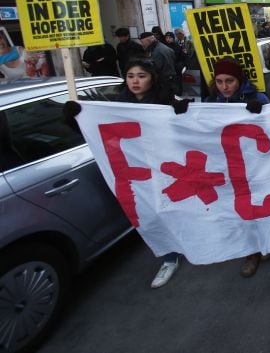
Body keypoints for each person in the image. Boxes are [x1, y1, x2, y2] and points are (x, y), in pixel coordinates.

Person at [63, 58, 190, 288]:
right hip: (138, 172)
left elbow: (193, 126)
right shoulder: (116, 106)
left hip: (168, 166)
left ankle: (189, 242)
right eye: (131, 76)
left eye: (141, 75)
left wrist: (182, 112)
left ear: (152, 78)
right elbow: (94, 129)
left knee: (177, 207)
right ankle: (170, 258)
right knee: (153, 214)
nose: (135, 81)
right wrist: (74, 118)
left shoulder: (166, 101)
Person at [206, 57, 270, 277]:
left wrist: (261, 111)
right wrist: (184, 112)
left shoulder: (257, 97)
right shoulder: (211, 103)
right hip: (228, 165)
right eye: (220, 81)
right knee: (240, 208)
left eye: (230, 81)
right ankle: (251, 252)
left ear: (239, 79)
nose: (224, 87)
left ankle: (267, 243)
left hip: (256, 164)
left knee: (261, 204)